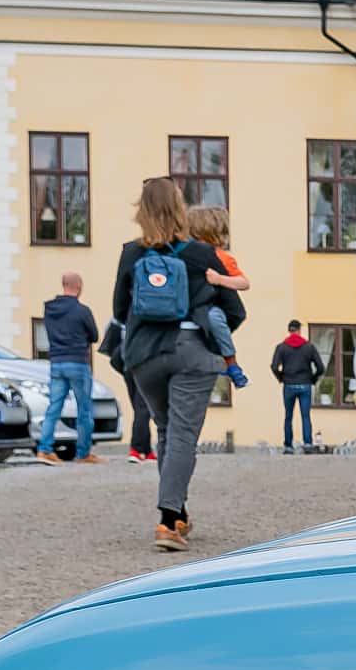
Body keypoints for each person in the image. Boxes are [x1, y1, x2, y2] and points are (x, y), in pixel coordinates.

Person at [109, 178, 239, 552]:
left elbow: (120, 309)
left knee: (166, 430)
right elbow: (234, 310)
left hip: (144, 354)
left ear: (141, 210)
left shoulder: (131, 253)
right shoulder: (201, 254)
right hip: (191, 351)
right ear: (181, 210)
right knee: (182, 434)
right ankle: (167, 521)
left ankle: (177, 512)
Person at [38, 271, 99, 463]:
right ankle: (83, 453)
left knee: (54, 407)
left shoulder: (49, 309)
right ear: (79, 286)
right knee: (84, 409)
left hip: (56, 362)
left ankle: (45, 448)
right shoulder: (82, 311)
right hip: (78, 362)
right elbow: (94, 336)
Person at [192, 214, 252, 389]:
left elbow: (244, 283)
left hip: (214, 305)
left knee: (214, 318)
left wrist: (220, 279)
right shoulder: (189, 255)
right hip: (196, 305)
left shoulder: (223, 258)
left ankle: (231, 362)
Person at [271, 320, 322, 451]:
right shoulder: (309, 347)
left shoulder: (281, 347)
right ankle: (308, 444)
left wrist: (281, 377)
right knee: (305, 416)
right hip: (305, 384)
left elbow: (274, 366)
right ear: (299, 330)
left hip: (289, 385)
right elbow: (320, 367)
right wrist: (313, 379)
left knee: (288, 416)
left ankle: (288, 445)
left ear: (289, 330)